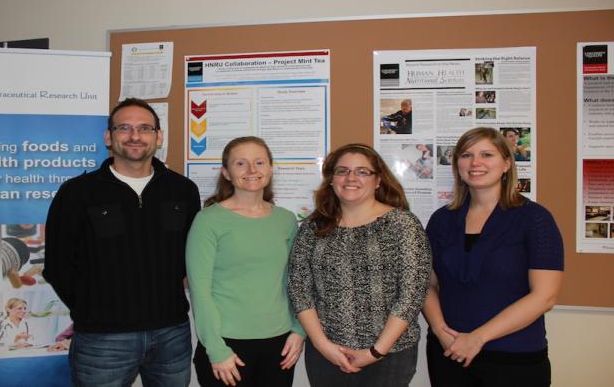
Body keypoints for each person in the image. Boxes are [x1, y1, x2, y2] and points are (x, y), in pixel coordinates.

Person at [44, 98, 201, 386]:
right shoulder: (77, 193)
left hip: (171, 334)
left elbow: (191, 257)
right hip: (103, 339)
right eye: (124, 128)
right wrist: (92, 309)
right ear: (109, 136)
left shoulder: (183, 190)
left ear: (158, 137)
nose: (135, 136)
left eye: (145, 128)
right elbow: (57, 265)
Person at [422, 127, 563, 387]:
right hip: (449, 353)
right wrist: (441, 332)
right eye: (466, 155)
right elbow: (427, 284)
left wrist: (477, 338)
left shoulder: (535, 219)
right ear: (457, 166)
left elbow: (545, 296)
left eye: (487, 154)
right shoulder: (442, 220)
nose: (475, 163)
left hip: (514, 359)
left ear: (507, 164)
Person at [288, 143, 431, 386]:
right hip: (326, 355)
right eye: (342, 171)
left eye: (362, 171)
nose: (351, 178)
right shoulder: (314, 227)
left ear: (378, 181)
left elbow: (412, 293)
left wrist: (376, 351)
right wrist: (323, 346)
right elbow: (299, 289)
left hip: (390, 355)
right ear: (332, 179)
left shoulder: (402, 224)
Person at [186, 136, 305, 387]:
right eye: (240, 164)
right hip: (227, 345)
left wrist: (299, 329)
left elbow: (296, 280)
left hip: (280, 343)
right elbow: (200, 291)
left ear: (270, 169)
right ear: (226, 173)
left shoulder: (285, 220)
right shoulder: (208, 221)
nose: (251, 170)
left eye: (259, 162)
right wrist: (216, 349)